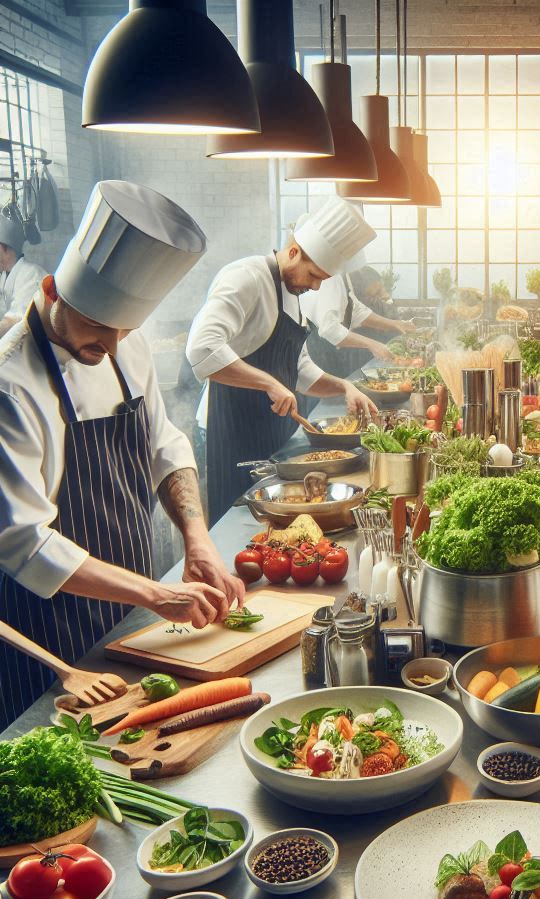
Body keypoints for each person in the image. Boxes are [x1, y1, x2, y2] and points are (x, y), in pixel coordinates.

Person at [0, 180, 244, 730]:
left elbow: (165, 443)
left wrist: (196, 537)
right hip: (49, 636)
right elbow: (26, 544)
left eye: (124, 329)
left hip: (132, 610)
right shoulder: (9, 386)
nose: (111, 345)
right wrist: (158, 592)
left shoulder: (120, 342)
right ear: (52, 291)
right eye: (97, 327)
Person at [187, 197, 379, 520]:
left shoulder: (294, 294)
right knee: (234, 530)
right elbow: (201, 349)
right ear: (293, 252)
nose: (316, 286)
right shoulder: (246, 278)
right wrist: (269, 383)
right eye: (314, 275)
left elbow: (300, 370)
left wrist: (344, 386)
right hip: (229, 436)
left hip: (270, 437)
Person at [302, 243, 417, 380]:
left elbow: (355, 311)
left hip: (332, 355)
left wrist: (396, 324)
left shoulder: (343, 276)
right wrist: (372, 344)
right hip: (320, 356)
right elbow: (329, 329)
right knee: (325, 399)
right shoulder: (330, 278)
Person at [0, 212, 46, 334]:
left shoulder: (32, 274)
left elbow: (14, 320)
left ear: (3, 247)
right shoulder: (5, 275)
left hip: (34, 347)